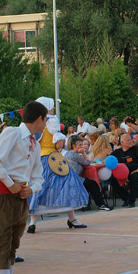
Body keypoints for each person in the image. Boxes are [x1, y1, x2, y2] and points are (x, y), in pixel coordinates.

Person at [0, 101, 48, 274]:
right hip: (4, 194)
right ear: (39, 119)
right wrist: (10, 183)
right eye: (45, 119)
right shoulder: (13, 133)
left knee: (14, 240)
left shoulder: (35, 143)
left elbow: (38, 173)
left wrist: (32, 188)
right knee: (2, 239)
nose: (45, 124)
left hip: (21, 194)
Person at [26, 97, 89, 233]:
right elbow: (59, 143)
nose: (54, 108)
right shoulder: (52, 120)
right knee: (68, 183)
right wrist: (59, 147)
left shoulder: (35, 121)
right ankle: (72, 219)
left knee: (37, 187)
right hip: (53, 158)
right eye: (52, 106)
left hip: (38, 159)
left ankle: (32, 223)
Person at [64, 137, 111, 211]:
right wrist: (83, 153)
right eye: (80, 145)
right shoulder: (75, 155)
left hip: (69, 179)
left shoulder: (68, 153)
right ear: (74, 146)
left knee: (89, 183)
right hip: (75, 179)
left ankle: (85, 204)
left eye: (82, 145)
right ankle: (101, 205)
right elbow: (88, 162)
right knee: (93, 184)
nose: (82, 147)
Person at [111, 133, 138, 207]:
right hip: (122, 174)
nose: (131, 141)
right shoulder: (117, 152)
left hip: (134, 171)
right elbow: (108, 159)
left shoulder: (135, 148)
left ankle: (132, 201)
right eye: (128, 140)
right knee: (112, 179)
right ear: (122, 142)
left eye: (131, 139)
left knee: (134, 177)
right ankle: (126, 198)